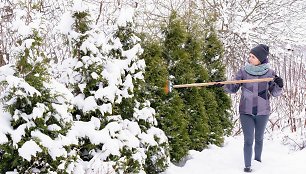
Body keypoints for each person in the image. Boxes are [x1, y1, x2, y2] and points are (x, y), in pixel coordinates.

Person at [216, 44, 283, 172]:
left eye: (253, 56)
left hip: (263, 112)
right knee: (248, 140)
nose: (249, 58)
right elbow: (233, 88)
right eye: (250, 56)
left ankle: (258, 162)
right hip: (246, 111)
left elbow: (274, 93)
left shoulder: (270, 73)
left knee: (259, 138)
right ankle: (248, 166)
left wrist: (279, 85)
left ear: (261, 59)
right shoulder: (243, 72)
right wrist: (224, 85)